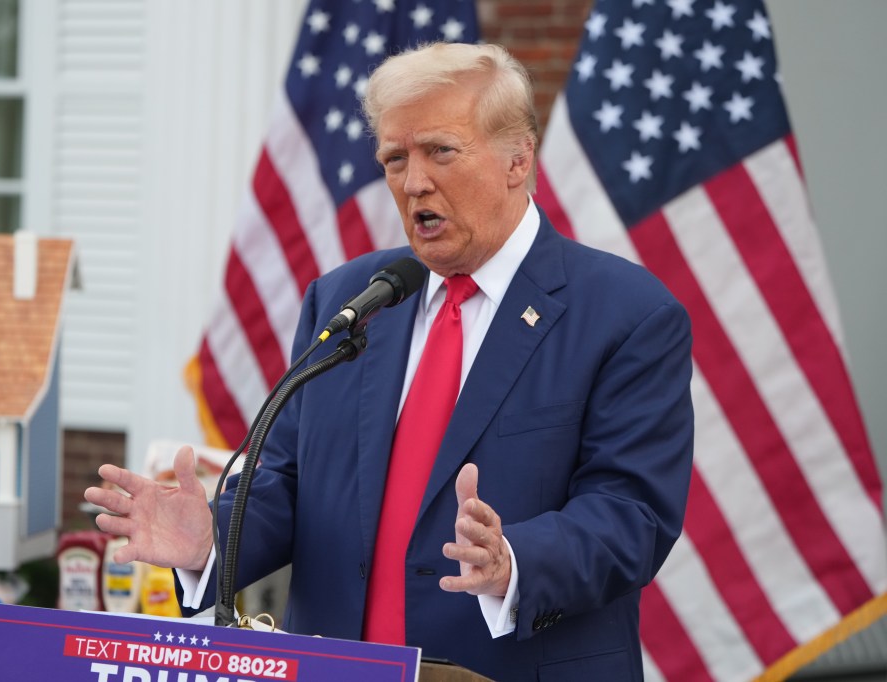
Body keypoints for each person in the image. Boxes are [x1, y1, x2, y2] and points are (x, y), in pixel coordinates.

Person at [86, 42, 693, 681]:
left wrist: (517, 560)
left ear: (519, 160)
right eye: (395, 158)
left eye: (441, 152)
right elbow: (290, 479)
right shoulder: (350, 300)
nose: (414, 182)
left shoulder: (625, 314)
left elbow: (632, 512)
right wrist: (211, 538)